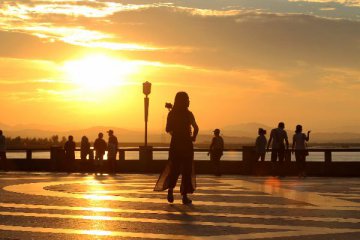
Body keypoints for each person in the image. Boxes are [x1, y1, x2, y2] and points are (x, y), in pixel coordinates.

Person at [154, 92, 199, 204]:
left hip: (175, 144)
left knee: (174, 169)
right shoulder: (189, 114)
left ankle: (170, 190)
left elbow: (168, 129)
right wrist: (193, 137)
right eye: (187, 99)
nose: (189, 101)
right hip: (187, 144)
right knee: (186, 170)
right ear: (183, 101)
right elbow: (196, 127)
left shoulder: (172, 114)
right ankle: (184, 196)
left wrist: (176, 135)